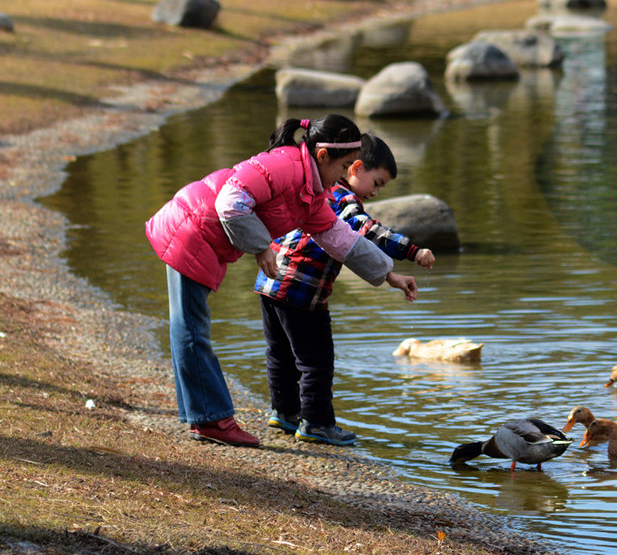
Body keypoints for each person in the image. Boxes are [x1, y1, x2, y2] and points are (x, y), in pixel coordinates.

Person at [145, 116, 418, 447]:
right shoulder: (284, 165)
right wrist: (262, 248)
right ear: (322, 157)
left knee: (189, 329)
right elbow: (230, 202)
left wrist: (388, 274)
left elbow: (340, 238)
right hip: (192, 230)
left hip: (201, 235)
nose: (343, 175)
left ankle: (205, 416)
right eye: (343, 165)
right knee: (190, 331)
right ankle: (212, 420)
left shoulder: (312, 191)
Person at [255, 133, 435, 446]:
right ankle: (317, 422)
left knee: (280, 353)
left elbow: (350, 248)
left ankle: (284, 412)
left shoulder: (317, 190)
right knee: (317, 361)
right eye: (377, 183)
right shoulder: (342, 199)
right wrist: (412, 250)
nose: (377, 192)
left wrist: (388, 275)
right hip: (302, 289)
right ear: (355, 168)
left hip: (270, 282)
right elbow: (365, 229)